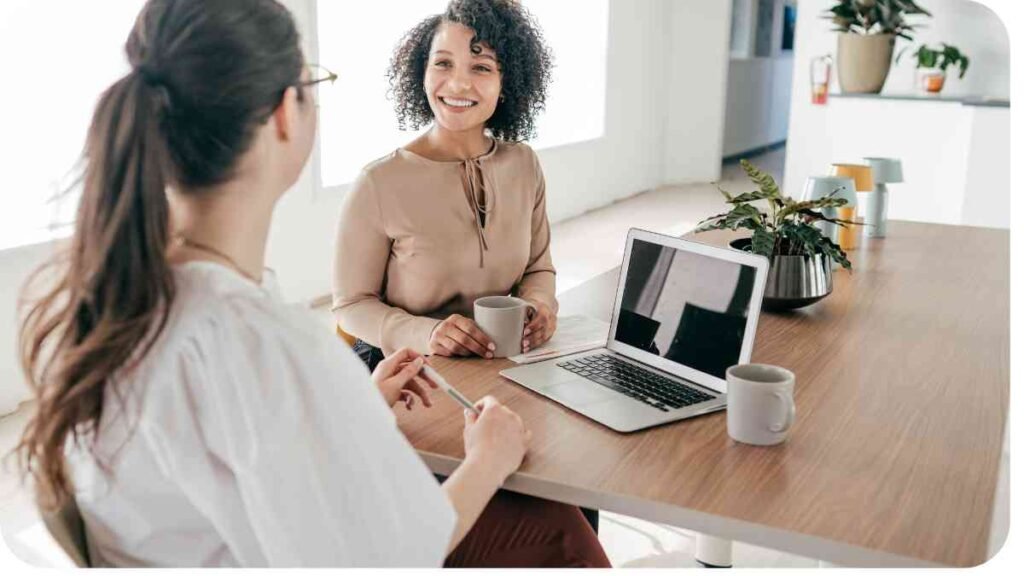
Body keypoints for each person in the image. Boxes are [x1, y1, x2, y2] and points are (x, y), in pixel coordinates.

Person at [15, 0, 608, 567]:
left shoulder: (123, 300)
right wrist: (489, 458)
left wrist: (359, 406)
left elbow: (250, 460)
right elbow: (393, 556)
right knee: (561, 533)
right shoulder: (264, 342)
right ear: (283, 113)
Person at [333, 0, 559, 371]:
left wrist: (542, 306)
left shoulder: (524, 164)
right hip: (401, 370)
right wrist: (427, 333)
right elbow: (350, 306)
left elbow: (538, 269)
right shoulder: (378, 182)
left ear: (508, 83)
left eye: (482, 67)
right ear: (422, 72)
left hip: (497, 363)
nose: (457, 83)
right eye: (443, 63)